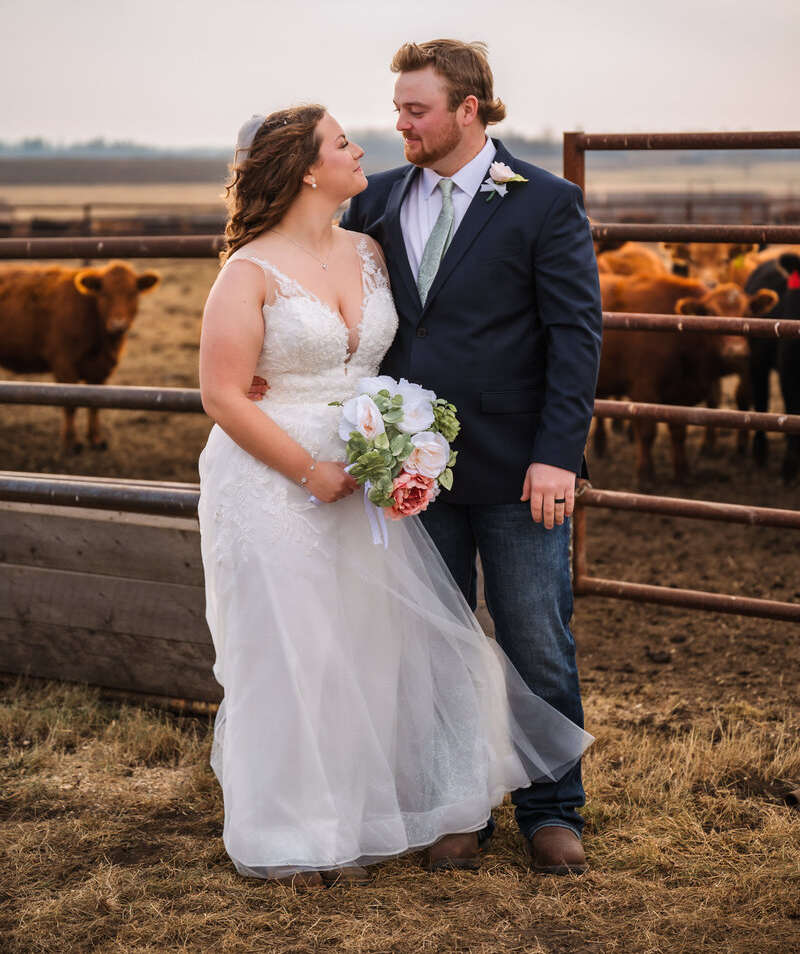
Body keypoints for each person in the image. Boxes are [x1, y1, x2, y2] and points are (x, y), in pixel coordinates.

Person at [198, 104, 592, 891]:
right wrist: (308, 466)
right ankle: (292, 829)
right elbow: (221, 391)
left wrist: (403, 444)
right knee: (292, 651)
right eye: (345, 140)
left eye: (411, 108)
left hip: (371, 479)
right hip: (279, 480)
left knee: (371, 650)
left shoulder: (371, 244)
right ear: (310, 170)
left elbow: (442, 341)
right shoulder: (256, 265)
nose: (370, 143)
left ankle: (502, 811)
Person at [340, 40, 603, 875]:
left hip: (521, 470)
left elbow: (575, 336)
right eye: (397, 107)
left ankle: (552, 808)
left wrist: (558, 454)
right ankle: (458, 807)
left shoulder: (545, 202)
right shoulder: (375, 199)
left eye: (415, 108)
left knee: (536, 639)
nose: (399, 123)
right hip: (411, 475)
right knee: (438, 642)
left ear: (469, 108)